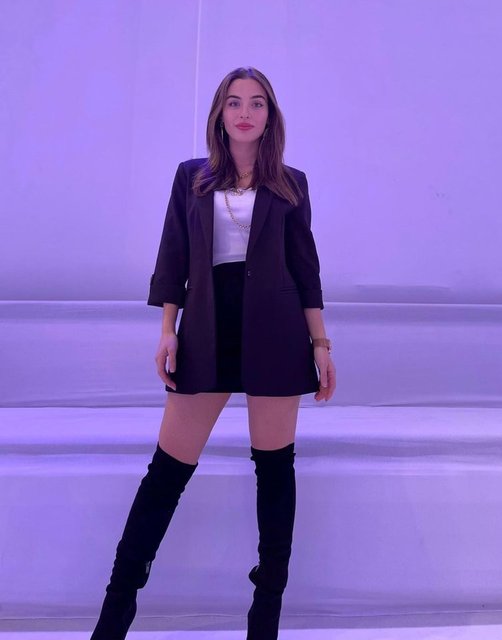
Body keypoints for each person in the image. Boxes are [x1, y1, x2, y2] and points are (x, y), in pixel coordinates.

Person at [90, 66, 336, 640]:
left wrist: (321, 344)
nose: (245, 112)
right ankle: (113, 620)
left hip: (275, 333)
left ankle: (264, 624)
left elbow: (306, 270)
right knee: (165, 474)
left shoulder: (291, 184)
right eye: (234, 102)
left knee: (274, 474)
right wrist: (167, 329)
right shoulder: (191, 177)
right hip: (205, 329)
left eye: (257, 103)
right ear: (220, 114)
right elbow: (172, 255)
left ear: (270, 116)